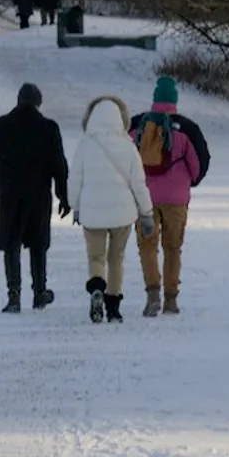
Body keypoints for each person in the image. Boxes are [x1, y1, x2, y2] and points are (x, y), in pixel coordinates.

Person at [0, 83, 69, 313]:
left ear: (18, 100)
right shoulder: (49, 128)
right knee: (38, 244)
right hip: (38, 195)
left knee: (11, 244)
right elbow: (59, 165)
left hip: (9, 194)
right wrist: (63, 195)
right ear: (39, 103)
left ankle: (14, 295)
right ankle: (40, 292)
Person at [69, 93, 154, 323]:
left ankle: (96, 287)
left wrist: (75, 206)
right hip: (122, 213)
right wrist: (147, 213)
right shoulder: (128, 147)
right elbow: (139, 183)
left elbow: (74, 178)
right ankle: (113, 307)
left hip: (92, 213)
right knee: (116, 259)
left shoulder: (86, 145)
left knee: (95, 257)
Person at [131, 73, 210, 316]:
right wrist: (188, 182)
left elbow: (125, 158)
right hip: (176, 199)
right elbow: (200, 163)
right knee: (173, 247)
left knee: (147, 246)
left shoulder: (137, 125)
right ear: (174, 100)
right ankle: (171, 299)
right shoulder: (186, 128)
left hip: (144, 197)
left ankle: (152, 293)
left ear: (154, 99)